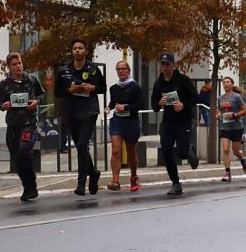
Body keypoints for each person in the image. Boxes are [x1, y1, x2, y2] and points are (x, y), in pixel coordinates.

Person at [55, 38, 106, 196]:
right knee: (81, 147)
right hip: (71, 112)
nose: (77, 50)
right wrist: (69, 91)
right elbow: (57, 92)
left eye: (80, 48)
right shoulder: (64, 71)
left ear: (86, 51)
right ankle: (94, 173)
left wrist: (92, 88)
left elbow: (103, 88)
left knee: (83, 145)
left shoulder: (93, 69)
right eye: (75, 48)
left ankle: (81, 184)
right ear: (72, 52)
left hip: (89, 112)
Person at [0, 53, 45, 202]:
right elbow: (0, 102)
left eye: (20, 63)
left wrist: (36, 102)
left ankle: (32, 182)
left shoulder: (31, 80)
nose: (18, 66)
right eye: (15, 64)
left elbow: (41, 95)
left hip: (29, 124)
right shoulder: (5, 84)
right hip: (13, 125)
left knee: (25, 152)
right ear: (9, 67)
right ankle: (27, 187)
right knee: (17, 159)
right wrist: (4, 106)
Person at [151, 52, 199, 195]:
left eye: (167, 64)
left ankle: (189, 151)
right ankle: (175, 183)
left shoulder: (183, 80)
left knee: (182, 153)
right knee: (166, 151)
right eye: (162, 64)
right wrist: (159, 103)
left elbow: (195, 97)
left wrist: (183, 105)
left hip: (183, 121)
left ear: (173, 65)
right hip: (167, 122)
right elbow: (154, 106)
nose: (164, 67)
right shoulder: (158, 83)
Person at [104, 61, 143, 192]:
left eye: (123, 69)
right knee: (115, 150)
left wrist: (125, 107)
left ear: (128, 70)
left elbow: (140, 104)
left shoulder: (135, 87)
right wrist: (109, 108)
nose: (121, 71)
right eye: (118, 69)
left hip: (131, 122)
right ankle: (115, 180)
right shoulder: (114, 88)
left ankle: (133, 176)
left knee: (131, 151)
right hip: (117, 122)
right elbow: (113, 101)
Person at [216, 76, 246, 181]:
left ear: (231, 84)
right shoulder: (220, 98)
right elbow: (218, 110)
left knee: (235, 151)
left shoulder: (237, 97)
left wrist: (234, 115)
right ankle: (227, 173)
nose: (225, 84)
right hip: (224, 127)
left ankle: (242, 159)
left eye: (228, 82)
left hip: (236, 127)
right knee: (225, 149)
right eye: (224, 82)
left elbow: (245, 111)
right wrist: (218, 114)